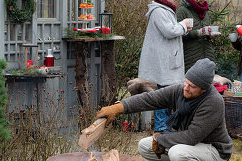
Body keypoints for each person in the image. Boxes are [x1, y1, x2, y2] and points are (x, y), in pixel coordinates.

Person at [95, 58, 233, 161]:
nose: (186, 87)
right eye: (186, 82)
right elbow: (149, 99)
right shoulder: (180, 90)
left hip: (214, 149)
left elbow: (192, 137)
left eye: (192, 86)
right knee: (144, 146)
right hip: (191, 146)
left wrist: (161, 140)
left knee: (177, 153)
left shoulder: (213, 102)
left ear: (203, 89)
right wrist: (119, 107)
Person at [138, 0, 192, 133]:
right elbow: (169, 31)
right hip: (163, 60)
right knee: (163, 94)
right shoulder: (158, 11)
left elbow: (172, 31)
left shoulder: (166, 10)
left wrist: (184, 29)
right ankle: (161, 127)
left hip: (168, 59)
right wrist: (183, 24)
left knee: (169, 92)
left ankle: (168, 125)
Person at [177, 0, 221, 72]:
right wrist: (198, 33)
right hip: (190, 58)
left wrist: (210, 35)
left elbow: (206, 31)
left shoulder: (206, 11)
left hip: (207, 56)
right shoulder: (183, 10)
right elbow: (177, 35)